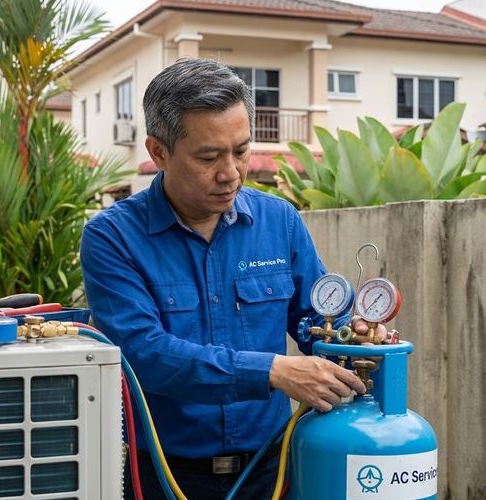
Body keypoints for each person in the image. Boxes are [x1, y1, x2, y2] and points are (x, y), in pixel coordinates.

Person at [80, 58, 366, 500]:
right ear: (158, 152)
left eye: (241, 150)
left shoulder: (280, 222)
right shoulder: (113, 237)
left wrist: (354, 340)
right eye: (209, 157)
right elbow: (143, 352)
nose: (230, 172)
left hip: (273, 466)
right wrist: (271, 370)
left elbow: (316, 320)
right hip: (165, 475)